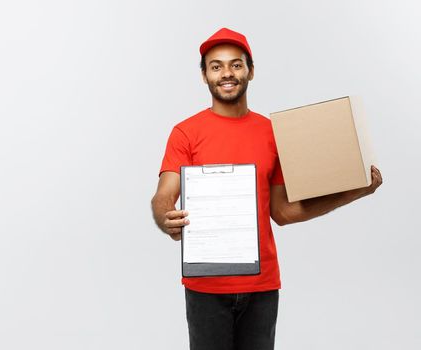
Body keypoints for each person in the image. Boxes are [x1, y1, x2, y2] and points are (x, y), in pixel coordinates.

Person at [150, 27, 383, 350]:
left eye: (236, 64)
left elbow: (284, 211)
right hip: (205, 287)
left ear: (251, 71)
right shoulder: (186, 133)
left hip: (262, 286)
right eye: (216, 66)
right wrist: (164, 217)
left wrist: (355, 190)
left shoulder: (273, 133)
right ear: (204, 76)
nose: (227, 73)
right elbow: (165, 193)